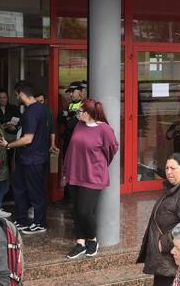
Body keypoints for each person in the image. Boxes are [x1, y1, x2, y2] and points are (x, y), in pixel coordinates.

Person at [61, 98, 119, 259]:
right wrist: (65, 171)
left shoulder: (104, 129)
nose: (78, 114)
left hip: (93, 176)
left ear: (88, 113)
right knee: (76, 211)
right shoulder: (79, 125)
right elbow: (71, 149)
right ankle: (80, 243)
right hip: (74, 174)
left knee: (85, 211)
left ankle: (92, 240)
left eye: (80, 111)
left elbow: (112, 148)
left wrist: (99, 164)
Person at [137, 153, 180, 286]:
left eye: (173, 168)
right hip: (166, 261)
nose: (168, 172)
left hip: (172, 261)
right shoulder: (176, 187)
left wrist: (164, 243)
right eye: (167, 168)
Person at [0, 80, 50, 234]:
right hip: (29, 158)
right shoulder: (41, 109)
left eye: (16, 94)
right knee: (20, 188)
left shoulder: (32, 112)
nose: (16, 97)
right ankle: (22, 220)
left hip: (33, 158)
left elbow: (28, 138)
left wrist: (8, 145)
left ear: (20, 94)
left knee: (35, 191)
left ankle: (40, 223)